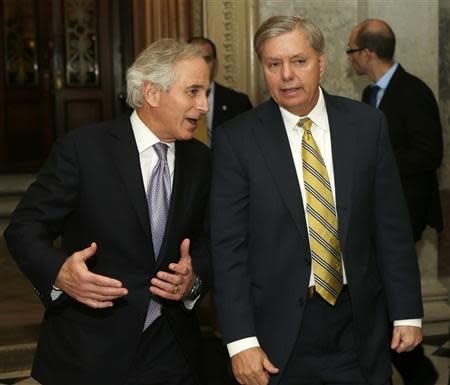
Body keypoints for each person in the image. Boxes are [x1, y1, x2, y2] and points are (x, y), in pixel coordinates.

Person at [211, 15, 423, 385]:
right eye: (273, 65)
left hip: (359, 325)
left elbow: (391, 226)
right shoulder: (238, 140)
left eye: (299, 61)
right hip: (277, 335)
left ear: (321, 63)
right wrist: (240, 341)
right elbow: (228, 248)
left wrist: (407, 312)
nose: (286, 75)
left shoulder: (366, 125)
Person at [4, 39, 212, 385]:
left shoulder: (202, 161)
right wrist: (59, 273)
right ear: (152, 92)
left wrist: (194, 279)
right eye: (193, 91)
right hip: (89, 351)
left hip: (173, 349)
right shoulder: (83, 150)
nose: (204, 105)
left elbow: (212, 241)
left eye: (205, 92)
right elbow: (24, 228)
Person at [347, 19, 442, 385]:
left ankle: (416, 371)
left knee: (385, 292)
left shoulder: (413, 91)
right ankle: (410, 369)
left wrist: (376, 161)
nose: (350, 58)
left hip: (405, 212)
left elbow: (429, 153)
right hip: (375, 215)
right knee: (379, 293)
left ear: (367, 53)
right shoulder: (370, 94)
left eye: (352, 51)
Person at [188, 36, 253, 147]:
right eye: (194, 59)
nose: (201, 65)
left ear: (215, 63)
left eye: (206, 59)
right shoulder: (174, 100)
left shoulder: (239, 103)